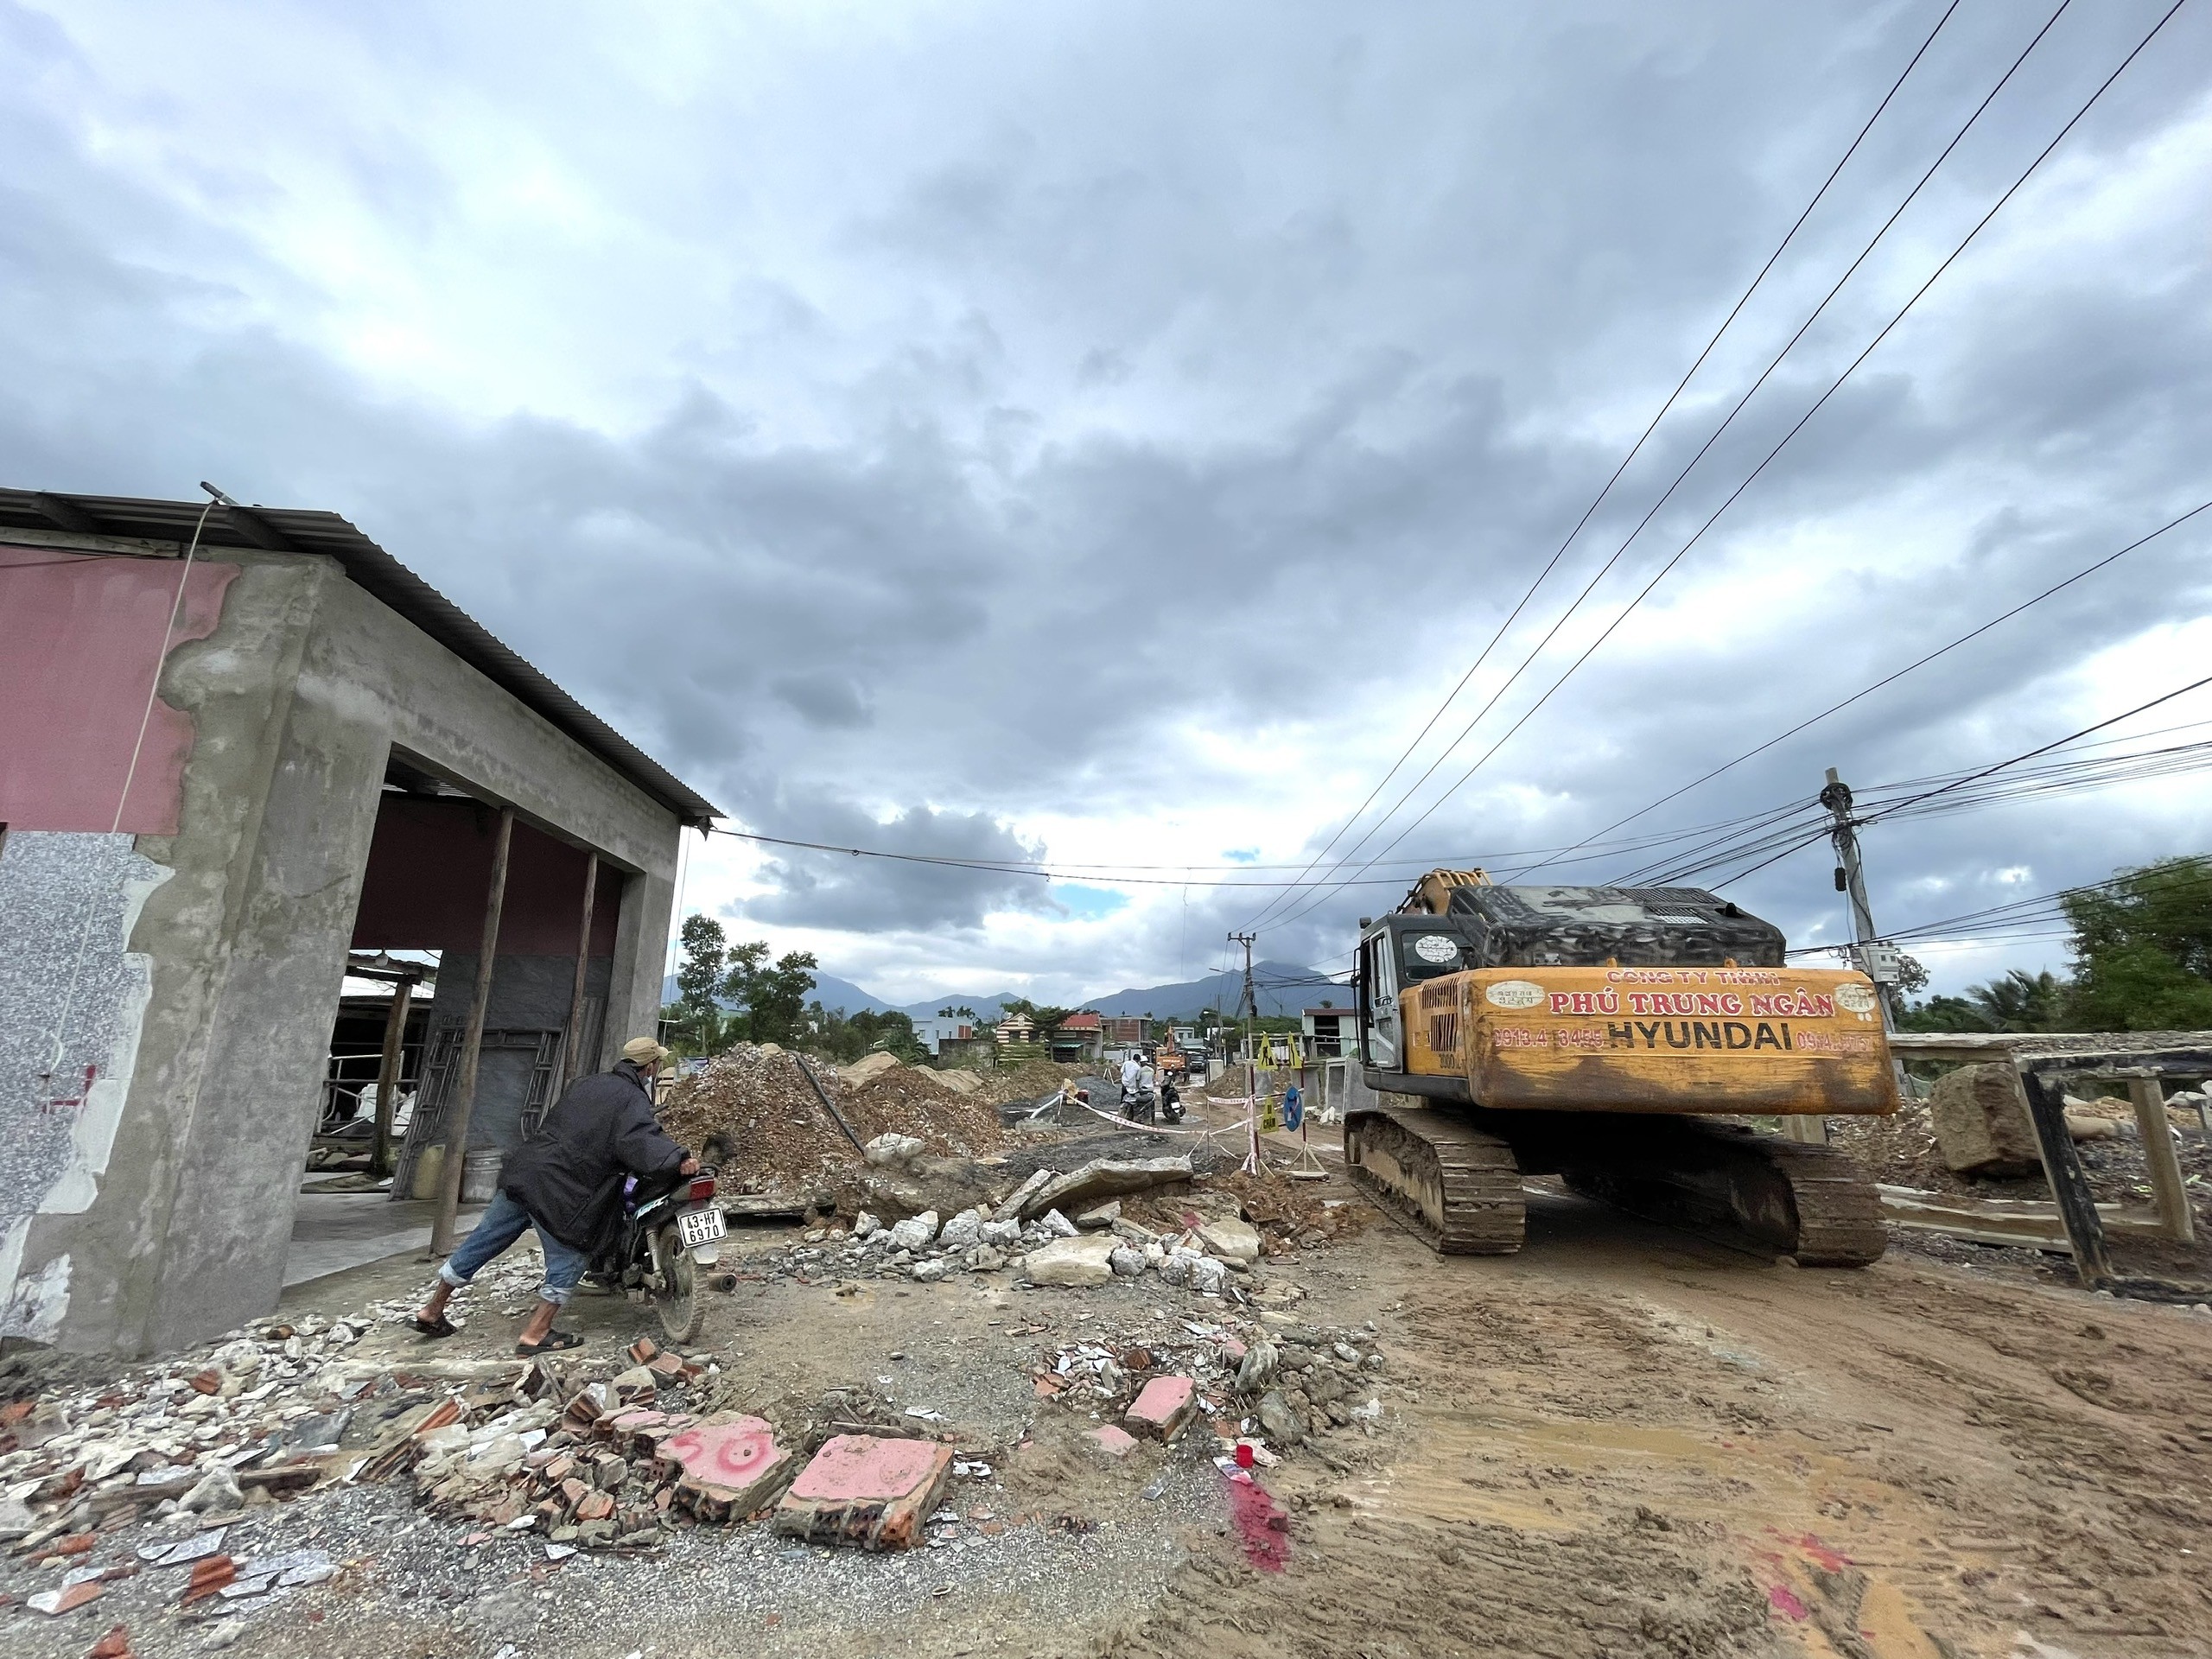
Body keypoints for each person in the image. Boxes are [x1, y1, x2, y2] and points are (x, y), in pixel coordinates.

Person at [413, 1036, 696, 1357]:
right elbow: (638, 1138)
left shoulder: (586, 1084)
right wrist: (678, 1157)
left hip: (525, 1170)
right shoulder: (632, 1098)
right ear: (651, 1066)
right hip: (559, 1186)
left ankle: (432, 1310)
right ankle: (536, 1333)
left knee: (485, 1239)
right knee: (573, 1253)